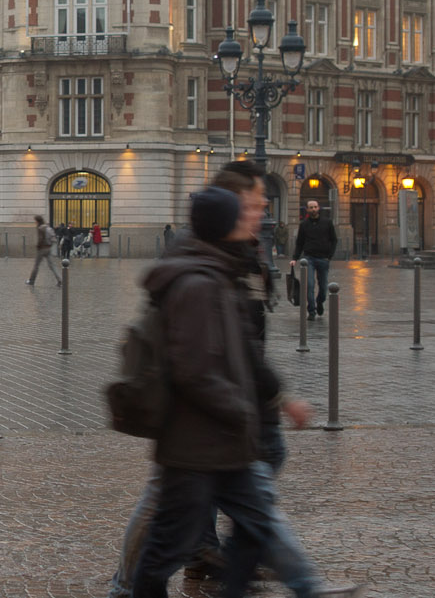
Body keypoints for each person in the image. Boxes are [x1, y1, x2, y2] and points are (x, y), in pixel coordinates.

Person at [128, 187, 359, 598]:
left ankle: (304, 589)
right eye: (245, 214)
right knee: (165, 549)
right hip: (196, 441)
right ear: (225, 225)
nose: (257, 220)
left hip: (225, 438)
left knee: (255, 527)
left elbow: (242, 354)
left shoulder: (221, 271)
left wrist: (270, 400)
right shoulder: (198, 283)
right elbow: (194, 370)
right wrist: (240, 408)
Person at [287, 201, 337, 320]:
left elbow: (334, 240)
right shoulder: (304, 224)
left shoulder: (327, 222)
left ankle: (320, 302)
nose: (313, 209)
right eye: (311, 208)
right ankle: (312, 310)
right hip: (308, 258)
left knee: (324, 288)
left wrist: (329, 256)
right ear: (307, 209)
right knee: (309, 285)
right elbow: (299, 243)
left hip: (323, 259)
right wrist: (295, 258)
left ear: (318, 208)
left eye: (315, 207)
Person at [29, 215, 63, 286]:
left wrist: (38, 246)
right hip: (48, 248)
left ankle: (31, 280)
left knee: (36, 265)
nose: (35, 222)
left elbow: (40, 239)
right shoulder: (48, 227)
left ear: (38, 221)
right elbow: (53, 238)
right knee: (52, 265)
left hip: (41, 249)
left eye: (35, 221)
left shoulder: (40, 228)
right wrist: (50, 245)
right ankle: (60, 279)